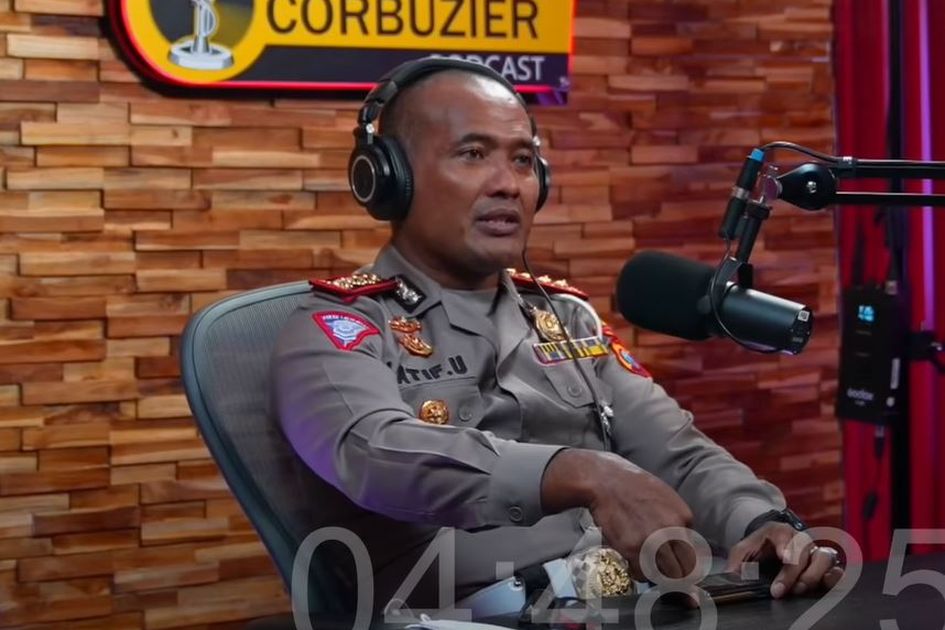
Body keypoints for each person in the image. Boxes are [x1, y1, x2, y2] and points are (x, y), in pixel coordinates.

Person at [271, 58, 844, 616]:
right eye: (472, 154)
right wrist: (580, 472)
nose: (508, 185)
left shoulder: (566, 317)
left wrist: (760, 521)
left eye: (523, 160)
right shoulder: (338, 327)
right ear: (389, 178)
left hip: (638, 604)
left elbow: (677, 453)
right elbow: (373, 452)